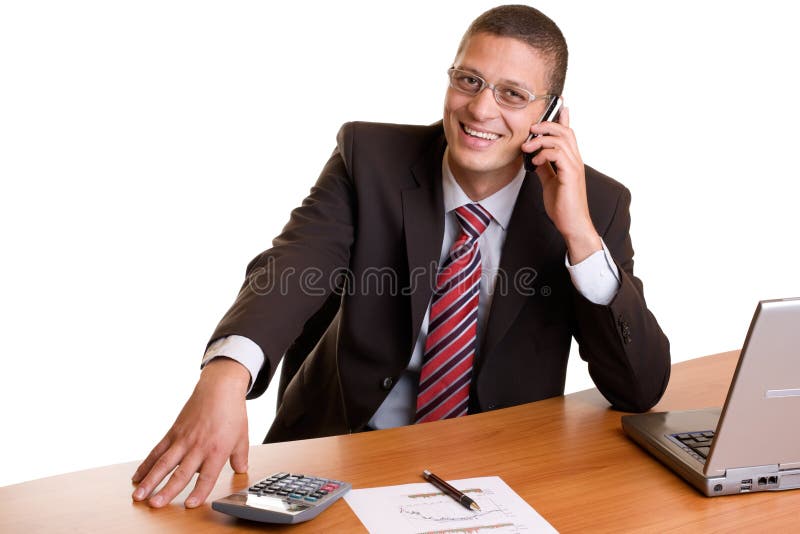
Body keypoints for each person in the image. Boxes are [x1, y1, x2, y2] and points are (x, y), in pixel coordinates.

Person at [131, 4, 670, 508]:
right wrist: (225, 374)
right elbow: (295, 263)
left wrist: (579, 234)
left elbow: (638, 388)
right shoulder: (370, 158)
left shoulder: (595, 203)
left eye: (512, 94)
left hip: (496, 476)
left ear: (550, 113)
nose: (480, 108)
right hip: (341, 456)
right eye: (469, 80)